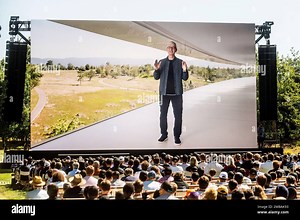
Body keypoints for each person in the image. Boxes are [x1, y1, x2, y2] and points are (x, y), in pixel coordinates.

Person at [153, 41, 189, 145]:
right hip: (163, 94)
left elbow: (185, 78)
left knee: (178, 116)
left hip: (177, 94)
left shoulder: (181, 62)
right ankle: (164, 134)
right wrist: (156, 70)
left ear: (175, 49)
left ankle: (177, 136)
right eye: (169, 47)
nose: (171, 49)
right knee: (162, 115)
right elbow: (156, 77)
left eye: (173, 47)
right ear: (166, 49)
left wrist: (184, 70)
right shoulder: (161, 62)